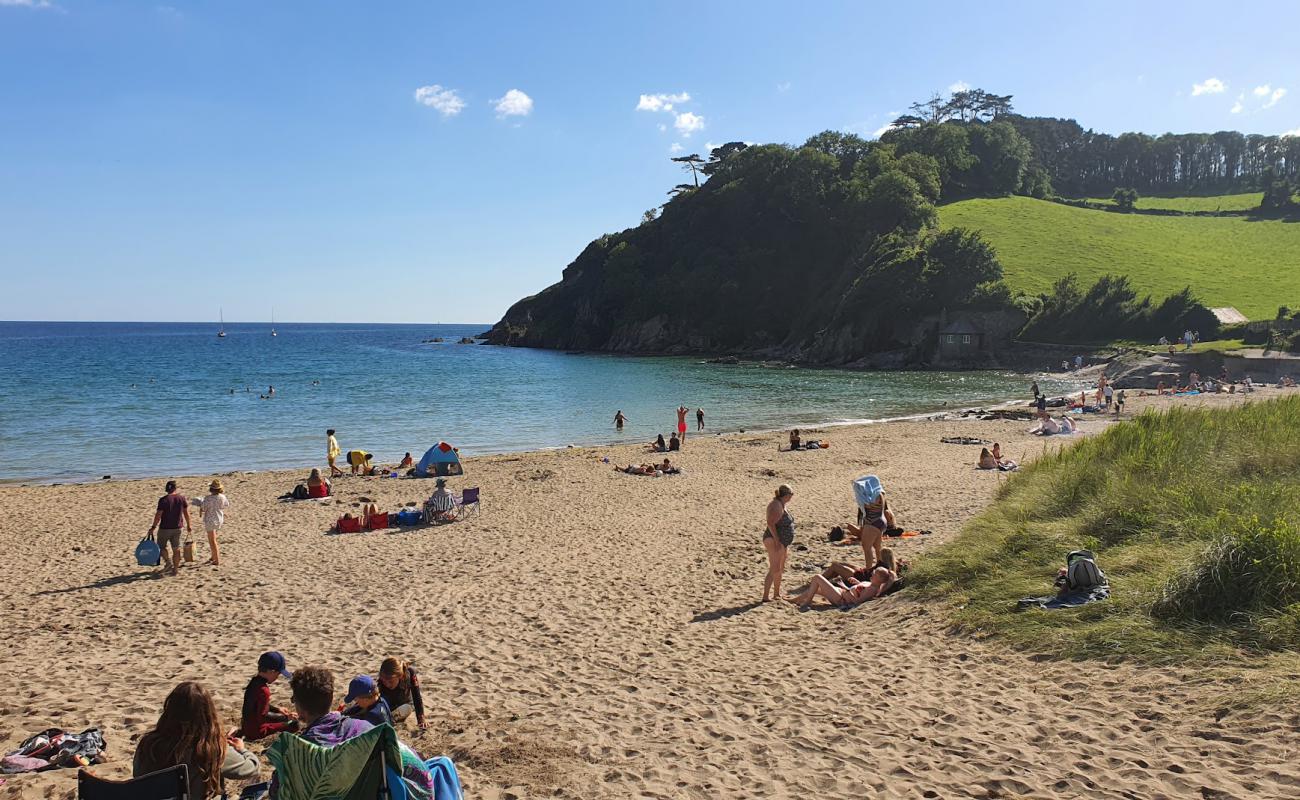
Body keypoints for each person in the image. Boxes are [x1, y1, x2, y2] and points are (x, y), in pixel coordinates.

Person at [134, 681, 260, 800]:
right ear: (208, 713)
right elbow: (252, 768)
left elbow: (137, 776)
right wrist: (241, 749)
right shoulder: (211, 749)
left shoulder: (148, 744)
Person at [787, 549, 898, 609]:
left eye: (874, 574)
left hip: (841, 599)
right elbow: (860, 590)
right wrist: (856, 583)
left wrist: (848, 591)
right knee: (815, 589)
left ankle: (807, 603)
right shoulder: (871, 584)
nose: (872, 574)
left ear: (878, 578)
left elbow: (858, 601)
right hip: (842, 592)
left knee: (817, 578)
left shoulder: (873, 589)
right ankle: (794, 600)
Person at [241, 651, 299, 741]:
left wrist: (277, 710)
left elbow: (258, 707)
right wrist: (285, 718)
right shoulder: (263, 690)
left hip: (247, 727)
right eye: (278, 674)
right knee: (294, 725)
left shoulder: (254, 682)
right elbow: (263, 717)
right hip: (257, 731)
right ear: (271, 672)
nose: (277, 677)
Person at [148, 480, 191, 577]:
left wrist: (153, 527)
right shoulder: (181, 498)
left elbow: (158, 515)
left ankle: (168, 563)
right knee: (176, 549)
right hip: (178, 528)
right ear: (175, 488)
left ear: (167, 489)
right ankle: (175, 570)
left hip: (165, 528)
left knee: (161, 547)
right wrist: (189, 525)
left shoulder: (163, 500)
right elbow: (186, 513)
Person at [762, 484, 795, 602]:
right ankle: (765, 596)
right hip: (774, 540)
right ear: (786, 495)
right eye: (791, 494)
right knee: (774, 568)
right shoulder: (776, 505)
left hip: (782, 541)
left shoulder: (781, 504)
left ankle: (776, 594)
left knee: (780, 568)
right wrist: (776, 540)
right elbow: (770, 523)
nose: (792, 497)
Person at [378, 657, 428, 729]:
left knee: (405, 709)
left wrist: (421, 720)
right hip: (388, 703)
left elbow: (417, 697)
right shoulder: (383, 676)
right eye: (384, 681)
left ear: (400, 676)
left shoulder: (410, 673)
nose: (387, 684)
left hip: (405, 704)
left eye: (391, 681)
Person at [197, 479, 230, 566]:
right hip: (219, 518)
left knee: (212, 541)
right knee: (214, 539)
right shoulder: (222, 497)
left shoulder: (208, 498)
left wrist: (201, 504)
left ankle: (217, 560)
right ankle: (213, 556)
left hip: (210, 520)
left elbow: (203, 508)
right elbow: (226, 505)